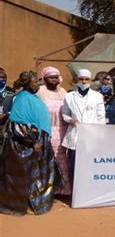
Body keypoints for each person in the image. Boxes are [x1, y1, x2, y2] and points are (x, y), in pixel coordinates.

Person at [0, 71, 55, 215]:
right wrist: (31, 143)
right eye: (35, 81)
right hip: (27, 144)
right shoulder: (22, 98)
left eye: (38, 81)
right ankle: (24, 205)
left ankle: (36, 203)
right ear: (27, 83)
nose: (38, 83)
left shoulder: (33, 97)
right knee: (26, 176)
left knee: (37, 175)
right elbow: (17, 125)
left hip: (39, 140)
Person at [62, 69, 106, 189]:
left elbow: (101, 117)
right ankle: (75, 192)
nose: (84, 81)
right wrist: (70, 120)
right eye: (81, 79)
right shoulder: (69, 96)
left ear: (90, 81)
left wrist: (99, 136)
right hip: (75, 135)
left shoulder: (97, 96)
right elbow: (65, 113)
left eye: (86, 79)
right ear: (77, 80)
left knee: (89, 165)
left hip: (91, 136)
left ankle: (88, 190)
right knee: (74, 165)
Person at [37, 66, 70, 196]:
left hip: (62, 130)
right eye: (51, 77)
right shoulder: (40, 91)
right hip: (46, 130)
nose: (54, 80)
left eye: (56, 77)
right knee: (47, 160)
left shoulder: (63, 92)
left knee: (63, 160)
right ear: (45, 79)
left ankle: (64, 189)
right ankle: (47, 191)